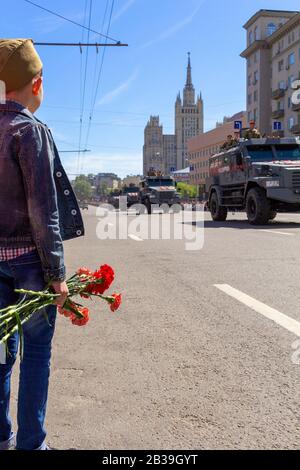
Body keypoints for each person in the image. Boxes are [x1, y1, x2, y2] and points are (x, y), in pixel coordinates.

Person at [0, 39, 84, 450]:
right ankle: (31, 444)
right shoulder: (30, 132)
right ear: (37, 84)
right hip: (30, 264)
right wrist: (57, 276)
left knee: (0, 354)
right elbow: (43, 210)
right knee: (35, 355)